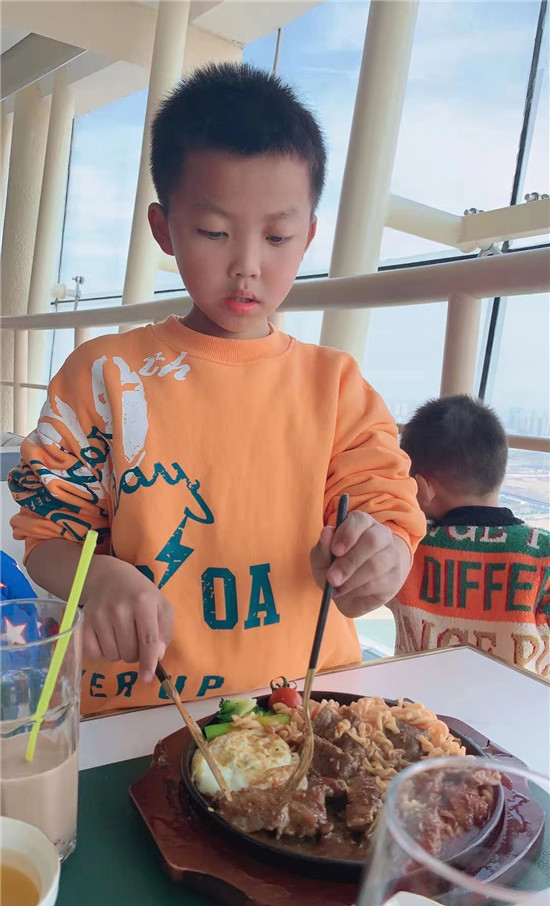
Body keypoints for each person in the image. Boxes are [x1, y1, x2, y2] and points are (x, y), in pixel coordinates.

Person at [9, 63, 425, 714]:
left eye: (278, 236)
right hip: (142, 711)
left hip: (310, 710)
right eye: (213, 232)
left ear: (309, 236)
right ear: (164, 229)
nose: (247, 265)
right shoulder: (105, 375)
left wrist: (379, 559)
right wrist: (97, 576)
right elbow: (46, 537)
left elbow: (388, 519)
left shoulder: (336, 386)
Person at [390, 395, 549, 677]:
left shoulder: (408, 545)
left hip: (411, 702)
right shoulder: (542, 551)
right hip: (516, 703)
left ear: (421, 488)